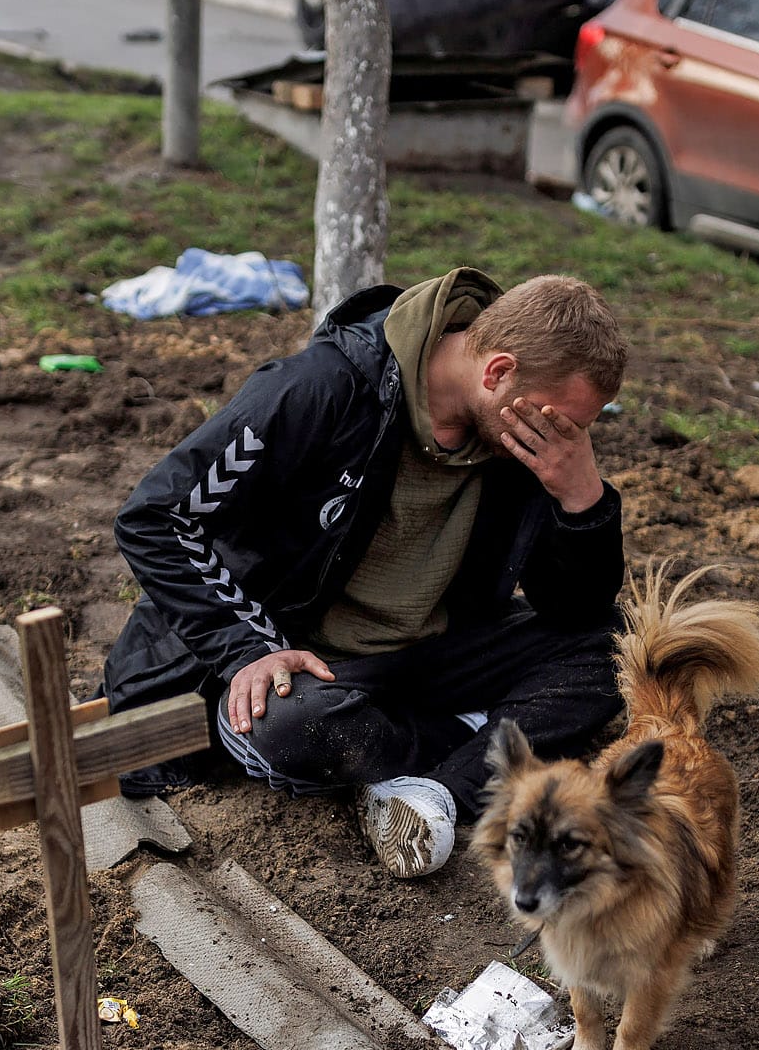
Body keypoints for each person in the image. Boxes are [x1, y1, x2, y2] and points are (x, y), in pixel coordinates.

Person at [102, 270, 630, 878]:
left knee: (618, 646)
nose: (571, 438)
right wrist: (245, 649)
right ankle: (474, 742)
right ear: (497, 373)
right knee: (290, 727)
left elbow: (573, 610)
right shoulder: (323, 391)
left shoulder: (525, 438)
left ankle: (434, 792)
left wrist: (582, 500)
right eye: (562, 420)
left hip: (434, 654)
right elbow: (155, 517)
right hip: (307, 663)